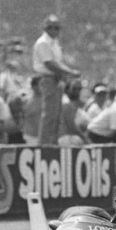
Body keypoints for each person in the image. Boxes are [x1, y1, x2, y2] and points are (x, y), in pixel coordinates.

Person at [32, 14, 80, 145]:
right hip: (48, 79)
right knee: (49, 114)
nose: (54, 30)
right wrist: (69, 72)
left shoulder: (54, 43)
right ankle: (44, 144)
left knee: (56, 115)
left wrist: (67, 72)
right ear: (45, 28)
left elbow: (58, 63)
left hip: (56, 79)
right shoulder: (43, 43)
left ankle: (51, 143)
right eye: (50, 27)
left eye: (56, 28)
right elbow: (49, 64)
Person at [58, 79, 90, 146]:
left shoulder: (70, 103)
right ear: (67, 89)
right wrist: (86, 139)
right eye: (74, 88)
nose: (77, 91)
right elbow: (72, 126)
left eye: (79, 89)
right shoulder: (66, 103)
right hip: (65, 139)